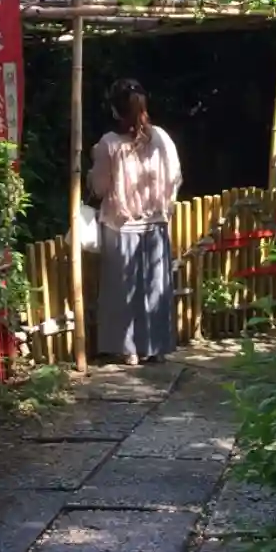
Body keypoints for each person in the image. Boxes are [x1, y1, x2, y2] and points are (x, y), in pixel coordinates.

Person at [88, 78, 181, 365]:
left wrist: (90, 176)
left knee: (121, 290)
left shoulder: (108, 144)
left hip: (121, 224)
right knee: (155, 287)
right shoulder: (161, 138)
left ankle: (127, 349)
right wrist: (164, 204)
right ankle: (155, 346)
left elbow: (99, 188)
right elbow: (175, 176)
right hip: (156, 223)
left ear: (114, 110)